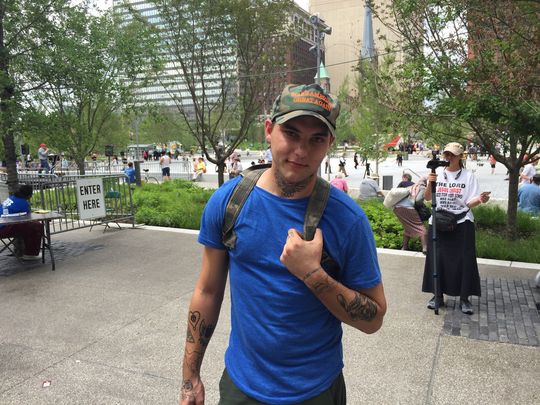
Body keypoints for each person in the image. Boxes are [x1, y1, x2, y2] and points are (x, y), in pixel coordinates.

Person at [179, 83, 386, 405]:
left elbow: (373, 319)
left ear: (329, 142)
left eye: (316, 139)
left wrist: (313, 275)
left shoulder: (347, 219)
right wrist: (190, 376)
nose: (301, 151)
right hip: (241, 387)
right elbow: (207, 291)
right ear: (268, 130)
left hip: (316, 391)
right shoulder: (229, 202)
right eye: (291, 133)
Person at [422, 142, 491, 315]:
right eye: (447, 154)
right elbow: (428, 198)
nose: (448, 158)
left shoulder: (468, 177)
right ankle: (437, 295)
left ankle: (464, 298)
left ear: (461, 156)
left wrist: (481, 199)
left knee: (464, 260)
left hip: (461, 223)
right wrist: (430, 183)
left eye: (452, 155)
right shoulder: (437, 172)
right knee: (436, 259)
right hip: (438, 222)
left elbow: (469, 202)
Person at [0, 185, 44, 260]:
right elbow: (28, 218)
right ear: (29, 195)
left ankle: (27, 251)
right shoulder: (23, 203)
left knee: (28, 226)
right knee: (36, 226)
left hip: (4, 225)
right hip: (3, 228)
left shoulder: (11, 198)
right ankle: (30, 254)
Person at [392, 180, 428, 254]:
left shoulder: (413, 187)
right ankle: (425, 248)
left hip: (396, 208)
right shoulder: (422, 187)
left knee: (407, 227)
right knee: (420, 227)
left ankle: (405, 247)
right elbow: (418, 201)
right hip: (407, 207)